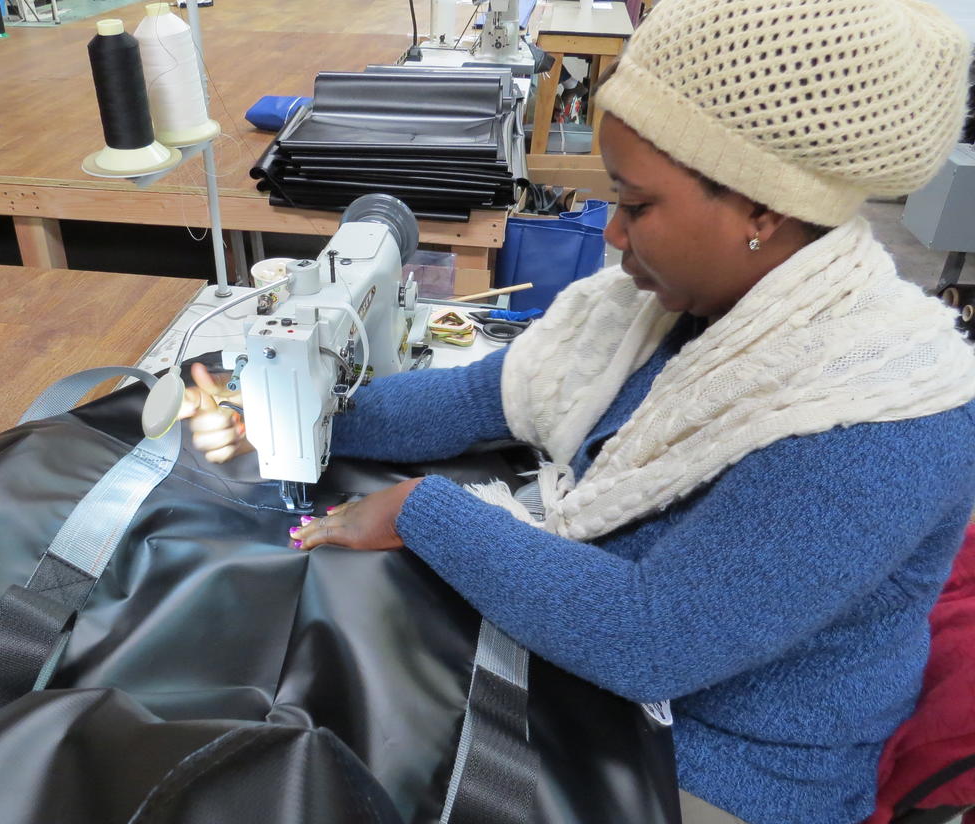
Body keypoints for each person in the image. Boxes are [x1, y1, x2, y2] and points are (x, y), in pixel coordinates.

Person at [178, 0, 975, 821]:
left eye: (637, 205)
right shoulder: (670, 308)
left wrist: (423, 512)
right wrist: (290, 408)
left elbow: (651, 638)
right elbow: (480, 396)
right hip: (613, 692)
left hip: (720, 770)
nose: (614, 236)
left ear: (760, 210)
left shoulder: (880, 423)